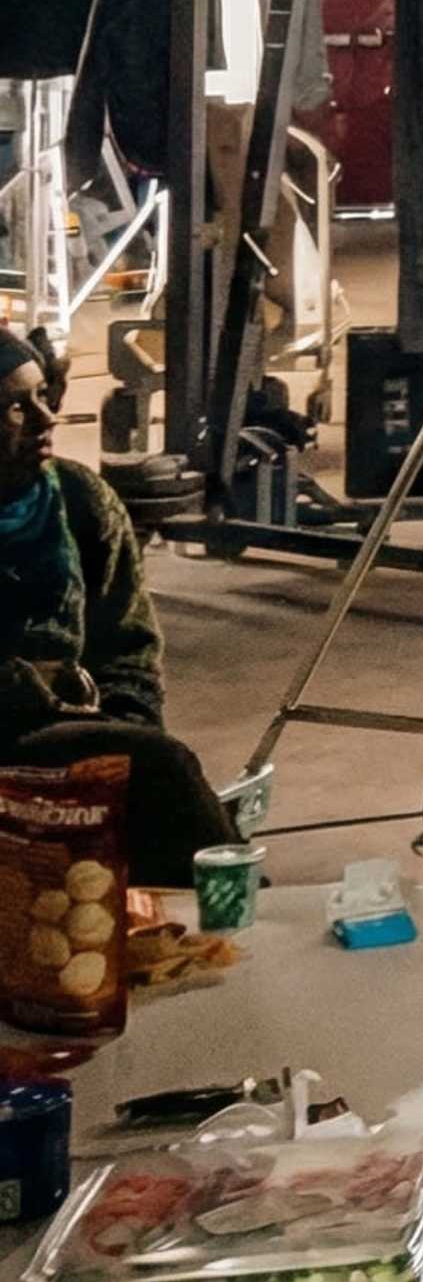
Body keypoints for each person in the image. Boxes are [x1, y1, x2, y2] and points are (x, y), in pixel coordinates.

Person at [0, 330, 239, 883]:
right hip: (18, 727)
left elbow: (130, 644)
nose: (45, 420)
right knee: (164, 767)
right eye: (16, 407)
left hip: (71, 728)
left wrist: (123, 729)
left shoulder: (80, 499)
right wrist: (31, 689)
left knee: (147, 765)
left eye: (42, 397)